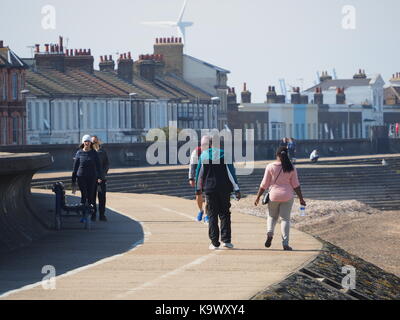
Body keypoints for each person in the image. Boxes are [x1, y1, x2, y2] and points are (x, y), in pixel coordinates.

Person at [254, 146, 306, 251]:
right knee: (285, 219)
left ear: (277, 155)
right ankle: (285, 243)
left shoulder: (270, 166)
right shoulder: (291, 167)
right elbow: (296, 185)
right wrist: (301, 198)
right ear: (287, 155)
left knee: (272, 217)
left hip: (273, 196)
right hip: (287, 196)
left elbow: (264, 184)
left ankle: (270, 232)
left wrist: (258, 197)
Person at [195, 135, 241, 250]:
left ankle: (214, 242)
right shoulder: (225, 154)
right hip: (224, 189)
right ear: (219, 144)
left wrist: (198, 188)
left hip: (209, 189)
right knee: (225, 213)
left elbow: (199, 174)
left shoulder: (204, 155)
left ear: (210, 144)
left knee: (212, 215)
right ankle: (226, 240)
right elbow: (231, 173)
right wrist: (237, 189)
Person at [72, 135, 102, 222]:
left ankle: (92, 214)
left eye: (88, 141)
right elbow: (75, 167)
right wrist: (73, 180)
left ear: (90, 143)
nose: (87, 143)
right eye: (85, 141)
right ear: (83, 142)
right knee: (84, 195)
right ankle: (83, 215)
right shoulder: (79, 153)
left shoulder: (94, 153)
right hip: (81, 177)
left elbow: (98, 166)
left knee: (91, 196)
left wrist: (99, 177)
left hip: (92, 177)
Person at [188, 139, 209, 223]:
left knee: (208, 196)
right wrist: (191, 178)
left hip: (208, 176)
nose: (205, 146)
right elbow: (192, 166)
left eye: (207, 144)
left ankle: (207, 215)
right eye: (203, 144)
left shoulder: (212, 151)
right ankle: (201, 210)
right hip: (198, 175)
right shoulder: (196, 152)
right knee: (198, 194)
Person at [91, 136, 110, 222]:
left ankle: (102, 215)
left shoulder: (102, 151)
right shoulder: (89, 152)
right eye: (92, 142)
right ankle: (93, 214)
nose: (94, 143)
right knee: (92, 197)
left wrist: (103, 173)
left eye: (95, 142)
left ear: (98, 142)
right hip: (91, 179)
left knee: (102, 197)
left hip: (101, 179)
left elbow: (107, 163)